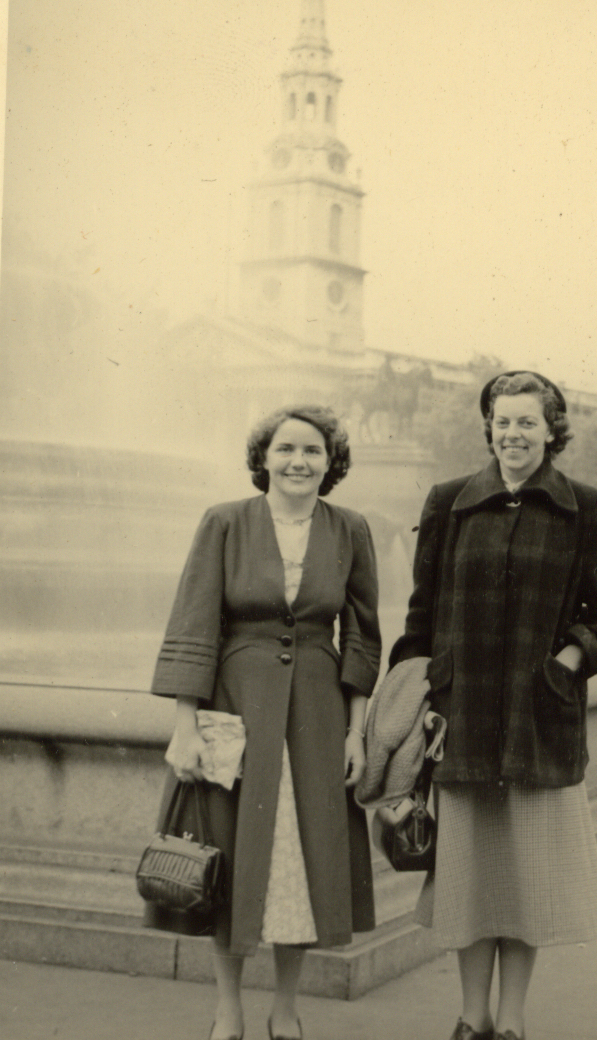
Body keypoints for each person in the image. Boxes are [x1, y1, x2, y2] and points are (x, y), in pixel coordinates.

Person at [389, 371, 597, 1040]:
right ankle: (472, 1016)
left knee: (526, 882)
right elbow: (420, 616)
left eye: (527, 421)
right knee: (469, 880)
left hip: (537, 722)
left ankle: (513, 1021)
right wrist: (415, 699)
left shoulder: (583, 506)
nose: (513, 433)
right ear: (486, 425)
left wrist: (564, 663)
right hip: (460, 721)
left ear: (551, 430)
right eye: (502, 420)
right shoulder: (447, 503)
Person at [146, 405, 381, 1040]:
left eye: (312, 451)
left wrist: (356, 732)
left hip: (317, 713)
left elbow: (362, 638)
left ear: (331, 463)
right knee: (231, 859)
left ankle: (285, 1007)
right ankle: (229, 1009)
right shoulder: (225, 522)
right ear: (264, 458)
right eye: (286, 450)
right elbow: (193, 622)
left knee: (301, 862)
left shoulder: (351, 529)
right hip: (235, 707)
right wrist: (186, 724)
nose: (298, 462)